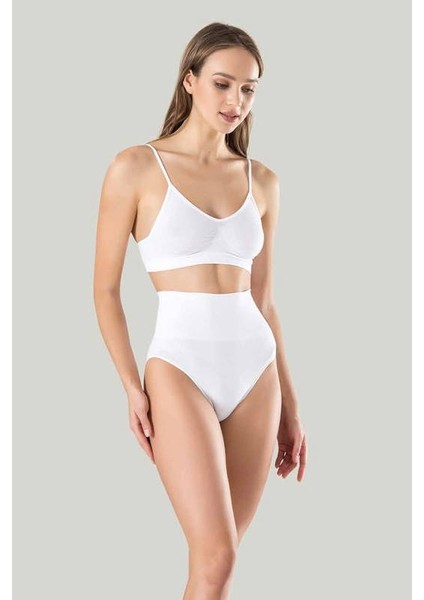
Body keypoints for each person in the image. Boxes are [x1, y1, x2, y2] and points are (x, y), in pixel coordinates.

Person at [93, 21, 307, 600]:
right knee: (217, 555)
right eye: (222, 83)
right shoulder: (136, 167)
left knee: (217, 568)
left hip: (256, 371)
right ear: (189, 80)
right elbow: (105, 291)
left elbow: (264, 300)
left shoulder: (263, 182)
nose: (236, 100)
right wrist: (131, 387)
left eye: (248, 88)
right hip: (178, 367)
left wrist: (291, 406)